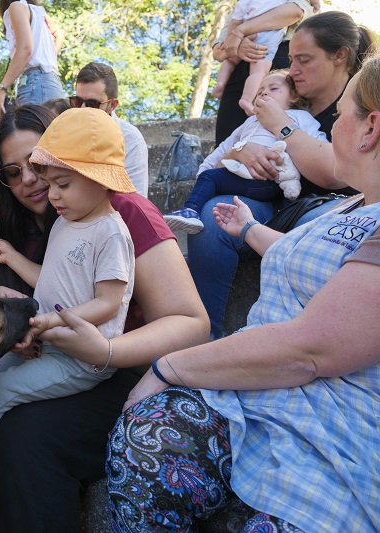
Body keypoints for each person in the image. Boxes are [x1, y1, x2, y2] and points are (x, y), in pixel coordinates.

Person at [105, 54, 380, 531]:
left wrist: (170, 366)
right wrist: (250, 228)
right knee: (145, 437)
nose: (332, 126)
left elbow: (314, 348)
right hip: (254, 400)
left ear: (370, 127)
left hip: (332, 424)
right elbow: (324, 264)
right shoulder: (351, 207)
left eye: (341, 115)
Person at [0, 104, 209, 532]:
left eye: (37, 164)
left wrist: (105, 349)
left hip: (124, 369)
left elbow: (192, 323)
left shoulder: (122, 215)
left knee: (20, 433)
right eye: (12, 172)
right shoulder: (16, 226)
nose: (30, 180)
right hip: (47, 355)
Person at [0, 108, 137, 476]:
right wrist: (14, 258)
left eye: (62, 185)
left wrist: (51, 319)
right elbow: (48, 278)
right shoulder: (68, 221)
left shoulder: (111, 232)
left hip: (80, 360)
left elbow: (110, 302)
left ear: (99, 177)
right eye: (51, 185)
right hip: (47, 342)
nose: (52, 195)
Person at [188, 10, 376, 339]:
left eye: (304, 60)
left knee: (318, 233)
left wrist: (281, 124)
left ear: (339, 56)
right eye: (291, 60)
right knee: (214, 214)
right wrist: (238, 150)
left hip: (325, 207)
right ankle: (202, 336)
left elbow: (336, 174)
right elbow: (230, 149)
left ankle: (286, 343)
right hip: (264, 198)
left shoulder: (356, 103)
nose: (293, 70)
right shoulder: (271, 94)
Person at [166, 70, 326, 234]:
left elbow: (318, 142)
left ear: (294, 97)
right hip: (243, 176)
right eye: (260, 90)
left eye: (273, 88)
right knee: (209, 176)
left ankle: (191, 210)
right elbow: (224, 147)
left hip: (269, 181)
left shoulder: (300, 116)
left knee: (211, 178)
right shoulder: (250, 121)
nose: (263, 91)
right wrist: (204, 170)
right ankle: (194, 209)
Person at [213, 0, 314, 144]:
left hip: (278, 67)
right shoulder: (242, 4)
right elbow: (218, 52)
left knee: (275, 138)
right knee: (227, 138)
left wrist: (240, 33)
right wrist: (238, 46)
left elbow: (294, 12)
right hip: (238, 74)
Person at [71, 62, 150, 198]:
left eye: (92, 104)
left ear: (112, 105)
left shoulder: (130, 140)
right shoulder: (66, 131)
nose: (83, 109)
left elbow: (135, 202)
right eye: (77, 101)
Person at [0, 0, 65, 116]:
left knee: (33, 132)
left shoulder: (16, 6)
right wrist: (48, 57)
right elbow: (60, 34)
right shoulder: (39, 13)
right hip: (52, 83)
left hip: (35, 84)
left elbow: (25, 49)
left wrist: (2, 87)